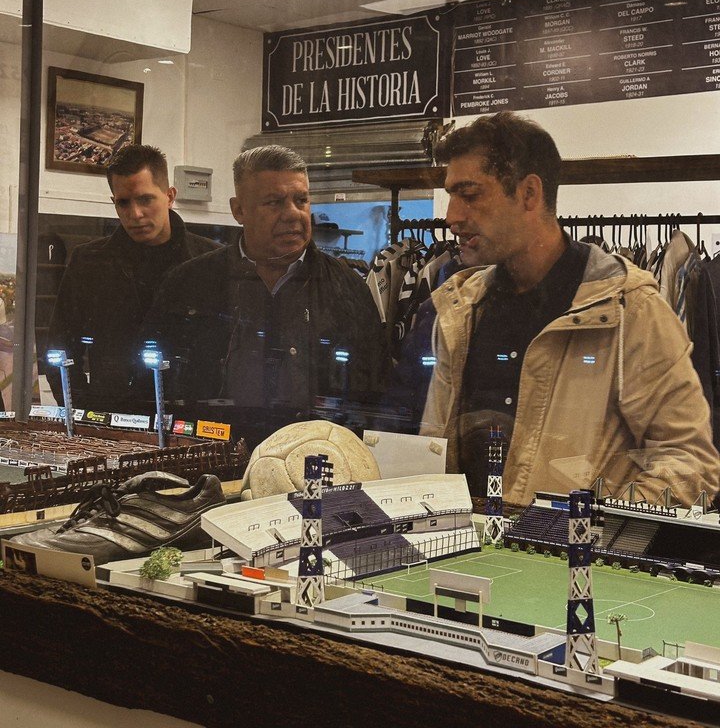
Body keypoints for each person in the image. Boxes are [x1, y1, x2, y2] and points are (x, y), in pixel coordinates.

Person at [420, 112, 720, 507]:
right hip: (465, 557)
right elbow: (433, 451)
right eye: (450, 196)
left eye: (470, 194)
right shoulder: (460, 308)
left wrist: (583, 531)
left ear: (529, 194)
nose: (452, 217)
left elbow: (691, 464)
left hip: (566, 565)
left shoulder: (631, 309)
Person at [143, 145, 389, 448]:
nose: (292, 214)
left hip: (316, 460)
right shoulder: (188, 284)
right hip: (209, 459)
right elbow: (153, 384)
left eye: (301, 200)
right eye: (274, 202)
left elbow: (374, 393)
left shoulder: (346, 289)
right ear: (238, 210)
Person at [46, 145, 218, 412]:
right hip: (111, 419)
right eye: (123, 202)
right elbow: (61, 349)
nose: (135, 214)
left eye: (145, 199)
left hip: (193, 421)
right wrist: (83, 414)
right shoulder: (89, 262)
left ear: (170, 196)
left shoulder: (212, 261)